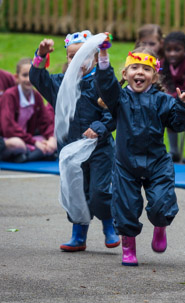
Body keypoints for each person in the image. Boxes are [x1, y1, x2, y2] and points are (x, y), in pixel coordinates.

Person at [94, 45, 185, 266]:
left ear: (154, 75)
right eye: (135, 68)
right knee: (125, 206)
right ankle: (129, 247)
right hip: (125, 163)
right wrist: (103, 55)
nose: (140, 72)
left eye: (146, 69)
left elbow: (178, 125)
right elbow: (105, 84)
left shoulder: (163, 100)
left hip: (157, 163)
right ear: (125, 74)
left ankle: (160, 227)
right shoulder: (118, 98)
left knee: (162, 204)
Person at [29, 30, 120, 252]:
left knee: (99, 192)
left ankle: (109, 226)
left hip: (99, 149)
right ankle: (78, 235)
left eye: (83, 54)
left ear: (96, 57)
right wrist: (40, 55)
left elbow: (114, 112)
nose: (76, 59)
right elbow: (37, 78)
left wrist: (99, 128)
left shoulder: (103, 82)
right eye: (71, 56)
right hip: (71, 150)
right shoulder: (60, 84)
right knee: (75, 192)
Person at [0, 58, 57, 163]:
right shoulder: (10, 95)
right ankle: (30, 154)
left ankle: (25, 156)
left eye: (31, 75)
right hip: (9, 138)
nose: (28, 79)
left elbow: (45, 122)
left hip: (27, 138)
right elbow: (9, 128)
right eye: (25, 75)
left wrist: (50, 138)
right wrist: (34, 142)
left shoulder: (36, 97)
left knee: (52, 143)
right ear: (17, 77)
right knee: (17, 144)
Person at [160, 31, 185, 163]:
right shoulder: (164, 63)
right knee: (169, 112)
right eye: (168, 50)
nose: (172, 53)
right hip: (174, 98)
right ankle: (174, 151)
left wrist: (172, 97)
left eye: (177, 50)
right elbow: (163, 83)